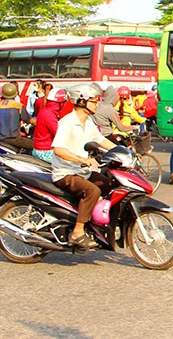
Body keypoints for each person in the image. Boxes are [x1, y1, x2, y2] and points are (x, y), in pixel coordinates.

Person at [51, 83, 117, 250]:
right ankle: (77, 232)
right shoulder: (68, 122)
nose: (97, 104)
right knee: (93, 190)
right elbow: (58, 149)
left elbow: (101, 140)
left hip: (83, 172)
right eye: (94, 101)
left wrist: (122, 151)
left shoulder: (88, 122)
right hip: (65, 173)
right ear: (81, 102)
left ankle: (96, 223)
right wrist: (81, 159)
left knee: (109, 184)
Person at [0, 82, 35, 151]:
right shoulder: (18, 106)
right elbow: (30, 120)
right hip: (14, 139)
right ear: (15, 94)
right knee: (37, 145)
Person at [32, 88, 68, 163]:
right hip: (45, 151)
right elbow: (58, 134)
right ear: (60, 103)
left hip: (39, 149)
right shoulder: (50, 115)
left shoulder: (45, 111)